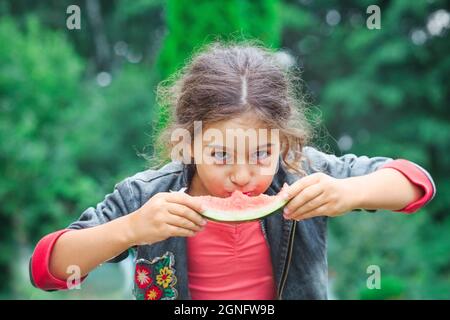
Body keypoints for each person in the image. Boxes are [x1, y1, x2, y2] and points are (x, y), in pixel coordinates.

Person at [29, 42, 435, 300]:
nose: (242, 177)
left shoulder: (302, 172)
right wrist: (132, 229)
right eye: (221, 155)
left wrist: (351, 193)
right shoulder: (147, 197)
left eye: (261, 153)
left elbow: (416, 184)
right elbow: (47, 270)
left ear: (284, 141)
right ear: (187, 144)